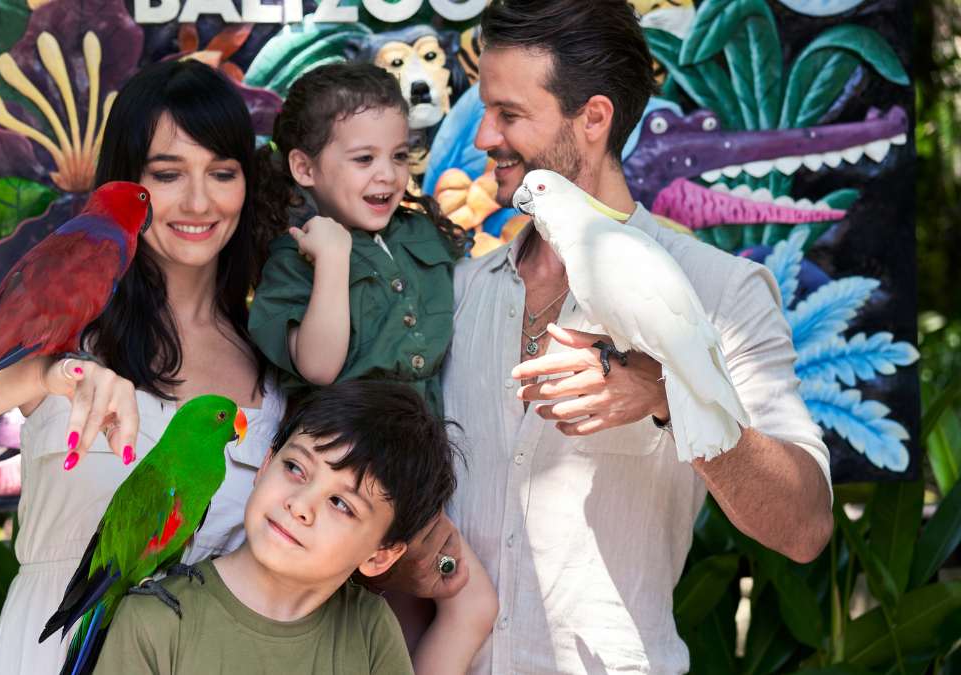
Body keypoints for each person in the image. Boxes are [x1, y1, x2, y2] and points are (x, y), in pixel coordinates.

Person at [424, 0, 835, 672]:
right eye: (483, 111)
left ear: (592, 119)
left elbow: (805, 525)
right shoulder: (459, 290)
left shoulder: (719, 291)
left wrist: (667, 393)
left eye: (509, 115)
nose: (482, 140)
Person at [0, 59, 287, 674]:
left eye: (222, 173)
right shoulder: (58, 304)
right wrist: (46, 375)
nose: (199, 201)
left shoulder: (275, 353)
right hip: (57, 651)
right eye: (168, 174)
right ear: (128, 185)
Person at [92, 381, 498, 675]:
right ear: (265, 464)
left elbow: (477, 606)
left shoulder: (371, 628)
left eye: (341, 503)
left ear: (380, 555)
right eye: (295, 468)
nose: (300, 505)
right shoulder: (151, 622)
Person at [248, 62, 469, 418]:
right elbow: (319, 368)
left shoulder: (421, 231)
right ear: (304, 168)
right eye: (364, 158)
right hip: (342, 458)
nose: (388, 174)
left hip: (428, 457)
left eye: (399, 155)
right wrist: (333, 259)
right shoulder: (290, 262)